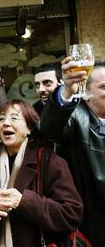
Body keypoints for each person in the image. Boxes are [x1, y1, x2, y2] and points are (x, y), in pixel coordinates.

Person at [0, 99, 83, 247]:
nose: (6, 123)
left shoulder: (49, 161)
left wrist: (23, 201)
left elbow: (71, 213)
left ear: (29, 128)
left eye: (14, 118)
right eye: (1, 118)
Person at [40, 58, 105, 246]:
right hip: (91, 228)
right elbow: (49, 129)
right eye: (104, 87)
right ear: (86, 94)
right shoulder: (75, 118)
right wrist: (67, 90)